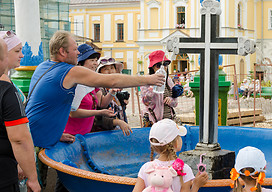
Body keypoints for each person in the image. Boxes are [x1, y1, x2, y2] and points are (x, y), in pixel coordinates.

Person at [25, 31, 164, 188]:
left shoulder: (43, 66)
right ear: (62, 52)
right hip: (29, 145)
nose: (78, 52)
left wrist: (56, 135)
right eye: (75, 48)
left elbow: (42, 109)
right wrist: (148, 79)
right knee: (34, 186)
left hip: (30, 136)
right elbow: (112, 80)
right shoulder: (69, 71)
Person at [63, 45, 131, 139]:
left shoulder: (93, 83)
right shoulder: (75, 83)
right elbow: (72, 113)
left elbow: (101, 103)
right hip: (71, 134)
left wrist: (112, 92)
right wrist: (100, 112)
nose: (95, 63)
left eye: (96, 60)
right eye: (92, 60)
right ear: (81, 63)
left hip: (86, 134)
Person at [0, 38, 41, 192]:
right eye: (17, 51)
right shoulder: (6, 90)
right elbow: (19, 139)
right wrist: (33, 179)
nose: (22, 55)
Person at [132, 119, 208, 192]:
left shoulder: (146, 168)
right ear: (176, 143)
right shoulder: (184, 169)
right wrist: (196, 185)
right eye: (179, 136)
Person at [141, 50, 178, 125]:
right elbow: (146, 102)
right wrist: (153, 86)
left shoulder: (168, 80)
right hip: (153, 121)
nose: (163, 68)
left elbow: (175, 103)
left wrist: (171, 100)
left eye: (165, 64)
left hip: (168, 120)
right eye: (158, 65)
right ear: (152, 67)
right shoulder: (146, 80)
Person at [94, 56, 131, 131]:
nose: (110, 71)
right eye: (106, 69)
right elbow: (99, 118)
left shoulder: (115, 87)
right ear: (100, 72)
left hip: (118, 130)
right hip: (106, 134)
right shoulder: (99, 89)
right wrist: (117, 122)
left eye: (112, 68)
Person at [0, 31, 26, 103]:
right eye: (17, 51)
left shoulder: (6, 78)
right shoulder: (3, 82)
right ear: (4, 53)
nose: (22, 55)